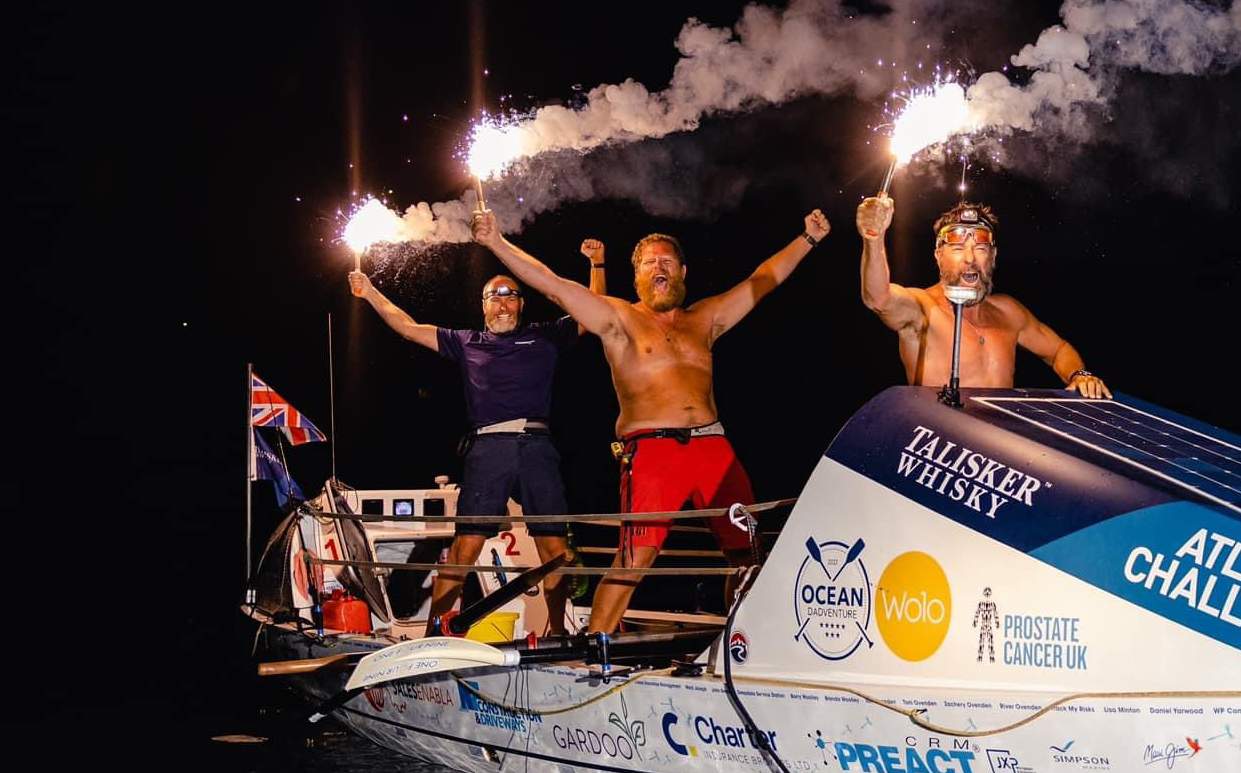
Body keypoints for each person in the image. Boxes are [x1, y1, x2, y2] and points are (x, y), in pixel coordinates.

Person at [471, 206, 832, 637]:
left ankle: (747, 642)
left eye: (666, 262)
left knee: (748, 555)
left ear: (682, 270)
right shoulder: (619, 318)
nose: (658, 268)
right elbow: (552, 284)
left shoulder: (706, 317)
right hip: (652, 450)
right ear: (636, 274)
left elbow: (762, 280)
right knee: (634, 560)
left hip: (714, 447)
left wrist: (807, 238)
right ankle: (593, 652)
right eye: (648, 263)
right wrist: (496, 241)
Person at [348, 240, 608, 636]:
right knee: (465, 546)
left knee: (553, 549)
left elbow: (594, 314)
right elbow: (407, 327)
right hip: (489, 449)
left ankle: (558, 632)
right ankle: (436, 633)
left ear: (521, 304)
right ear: (482, 305)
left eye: (510, 296)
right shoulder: (466, 342)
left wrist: (597, 264)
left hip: (538, 447)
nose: (502, 304)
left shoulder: (546, 336)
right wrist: (369, 292)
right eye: (493, 297)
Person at [856, 196, 1113, 398]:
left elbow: (1058, 350)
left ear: (993, 256)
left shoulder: (1008, 312)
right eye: (957, 248)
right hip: (939, 453)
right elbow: (878, 298)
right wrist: (873, 238)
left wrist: (1079, 375)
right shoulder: (923, 308)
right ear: (938, 255)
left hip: (996, 451)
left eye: (980, 248)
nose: (970, 259)